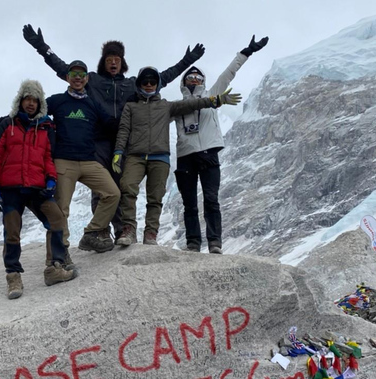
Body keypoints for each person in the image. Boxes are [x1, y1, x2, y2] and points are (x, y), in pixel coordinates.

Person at [22, 25, 205, 240]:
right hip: (98, 140)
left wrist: (187, 61)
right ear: (103, 62)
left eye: (117, 58)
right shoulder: (93, 81)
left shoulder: (132, 85)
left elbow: (163, 77)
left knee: (118, 187)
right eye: (109, 58)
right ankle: (100, 232)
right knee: (100, 187)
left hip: (124, 141)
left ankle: (121, 231)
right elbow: (64, 68)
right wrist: (41, 46)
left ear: (122, 62)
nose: (113, 62)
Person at [113, 67, 241, 246]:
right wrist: (119, 151)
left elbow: (192, 104)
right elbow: (124, 129)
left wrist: (215, 100)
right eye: (145, 82)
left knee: (156, 196)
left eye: (152, 82)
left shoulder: (167, 106)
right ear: (139, 84)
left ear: (157, 85)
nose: (149, 85)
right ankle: (128, 229)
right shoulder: (131, 106)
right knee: (127, 187)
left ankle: (151, 233)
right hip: (136, 155)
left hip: (160, 156)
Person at [174, 35, 269, 254]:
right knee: (189, 203)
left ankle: (215, 242)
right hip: (185, 156)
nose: (194, 80)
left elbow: (229, 73)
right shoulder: (177, 106)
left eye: (198, 77)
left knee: (211, 199)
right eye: (191, 77)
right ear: (184, 81)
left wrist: (246, 52)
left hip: (208, 153)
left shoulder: (212, 94)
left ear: (203, 80)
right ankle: (193, 243)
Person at [0, 79, 77, 300]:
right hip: (11, 189)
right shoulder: (7, 126)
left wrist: (51, 179)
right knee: (12, 231)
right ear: (20, 100)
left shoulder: (45, 128)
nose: (31, 104)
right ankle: (13, 275)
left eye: (35, 100)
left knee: (56, 219)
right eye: (27, 99)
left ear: (40, 104)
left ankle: (54, 268)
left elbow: (47, 157)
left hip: (37, 188)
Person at [46, 60, 121, 254]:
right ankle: (59, 255)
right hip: (64, 161)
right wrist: (1, 122)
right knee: (60, 210)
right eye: (74, 74)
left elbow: (111, 124)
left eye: (82, 75)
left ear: (87, 78)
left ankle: (92, 233)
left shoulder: (92, 104)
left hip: (89, 161)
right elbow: (32, 112)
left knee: (112, 193)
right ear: (67, 77)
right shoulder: (56, 101)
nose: (78, 78)